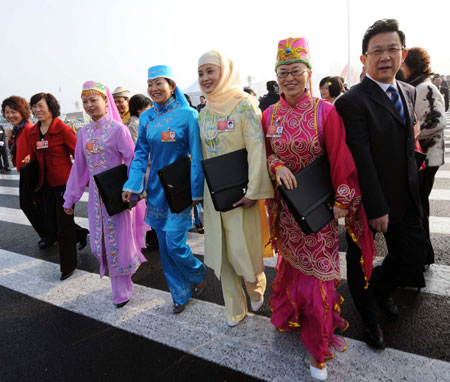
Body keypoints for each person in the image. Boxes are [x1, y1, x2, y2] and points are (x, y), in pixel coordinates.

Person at [263, 37, 375, 381]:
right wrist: (275, 165)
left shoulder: (325, 112)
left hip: (318, 213)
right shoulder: (269, 114)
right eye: (283, 72)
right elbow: (265, 154)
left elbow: (341, 157)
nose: (289, 78)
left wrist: (344, 198)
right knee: (291, 271)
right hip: (287, 213)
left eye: (295, 71)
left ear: (308, 74)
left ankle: (317, 346)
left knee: (320, 281)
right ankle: (296, 319)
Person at [335, 19, 431, 350]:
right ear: (364, 59)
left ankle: (377, 291)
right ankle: (367, 316)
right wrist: (376, 207)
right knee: (358, 262)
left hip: (405, 194)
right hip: (367, 201)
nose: (385, 56)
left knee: (413, 255)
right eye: (377, 50)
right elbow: (360, 158)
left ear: (402, 54)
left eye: (392, 49)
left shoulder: (408, 89)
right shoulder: (351, 101)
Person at [197, 50, 274, 327]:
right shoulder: (203, 114)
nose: (205, 78)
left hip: (243, 194)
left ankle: (256, 285)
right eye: (201, 73)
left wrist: (254, 191)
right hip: (215, 194)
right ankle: (234, 308)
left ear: (225, 71)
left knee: (244, 249)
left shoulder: (245, 105)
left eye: (210, 71)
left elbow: (257, 148)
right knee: (222, 253)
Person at [122, 65, 206, 314]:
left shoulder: (188, 115)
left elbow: (197, 154)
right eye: (150, 84)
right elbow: (140, 154)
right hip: (157, 191)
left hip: (180, 191)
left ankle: (197, 271)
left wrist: (196, 193)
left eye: (159, 83)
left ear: (172, 86)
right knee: (164, 247)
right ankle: (180, 293)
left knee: (175, 245)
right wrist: (132, 185)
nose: (154, 88)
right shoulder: (147, 118)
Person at [63, 81, 148, 307]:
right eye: (85, 102)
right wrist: (70, 197)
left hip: (117, 197)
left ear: (105, 101)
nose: (89, 105)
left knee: (118, 242)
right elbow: (79, 167)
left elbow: (132, 160)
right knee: (99, 243)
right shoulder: (84, 132)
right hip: (95, 199)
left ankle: (122, 290)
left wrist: (133, 191)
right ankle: (119, 280)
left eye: (93, 100)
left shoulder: (118, 129)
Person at [28, 93, 89, 280]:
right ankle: (81, 234)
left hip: (64, 184)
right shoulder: (33, 131)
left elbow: (79, 157)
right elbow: (34, 155)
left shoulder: (63, 129)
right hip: (44, 184)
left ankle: (68, 265)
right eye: (34, 106)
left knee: (63, 226)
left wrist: (85, 181)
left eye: (40, 106)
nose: (37, 110)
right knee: (52, 222)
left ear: (51, 107)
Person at [402, 47, 446, 265]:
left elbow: (437, 121)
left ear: (410, 64)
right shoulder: (418, 85)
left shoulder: (424, 87)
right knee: (420, 207)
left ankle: (422, 256)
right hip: (424, 157)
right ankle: (423, 255)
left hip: (426, 158)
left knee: (419, 208)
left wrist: (412, 133)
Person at [2, 96, 50, 244]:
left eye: (14, 111)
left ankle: (48, 235)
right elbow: (16, 149)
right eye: (7, 112)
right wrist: (11, 139)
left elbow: (40, 148)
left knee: (30, 205)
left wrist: (30, 156)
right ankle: (47, 234)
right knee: (34, 206)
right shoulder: (18, 129)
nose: (10, 115)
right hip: (25, 171)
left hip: (32, 173)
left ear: (23, 111)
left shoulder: (29, 129)